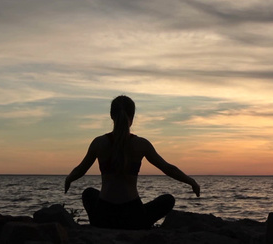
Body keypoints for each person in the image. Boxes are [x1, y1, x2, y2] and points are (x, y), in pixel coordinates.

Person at [64, 95, 200, 229]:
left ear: (111, 115)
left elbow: (80, 169)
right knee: (168, 200)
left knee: (88, 193)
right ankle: (140, 224)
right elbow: (168, 168)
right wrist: (191, 182)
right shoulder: (141, 144)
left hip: (104, 215)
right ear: (132, 117)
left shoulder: (99, 143)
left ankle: (98, 224)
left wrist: (68, 179)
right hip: (133, 216)